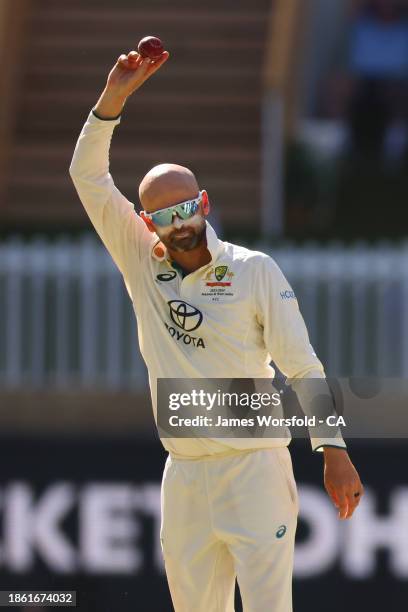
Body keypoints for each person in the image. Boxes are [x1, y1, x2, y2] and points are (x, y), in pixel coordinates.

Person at [69, 48, 364, 612]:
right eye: (162, 216)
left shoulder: (253, 270)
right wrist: (114, 99)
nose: (178, 224)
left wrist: (334, 450)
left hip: (254, 465)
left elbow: (302, 366)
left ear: (204, 204)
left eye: (186, 209)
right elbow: (87, 175)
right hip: (184, 471)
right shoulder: (140, 259)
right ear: (144, 222)